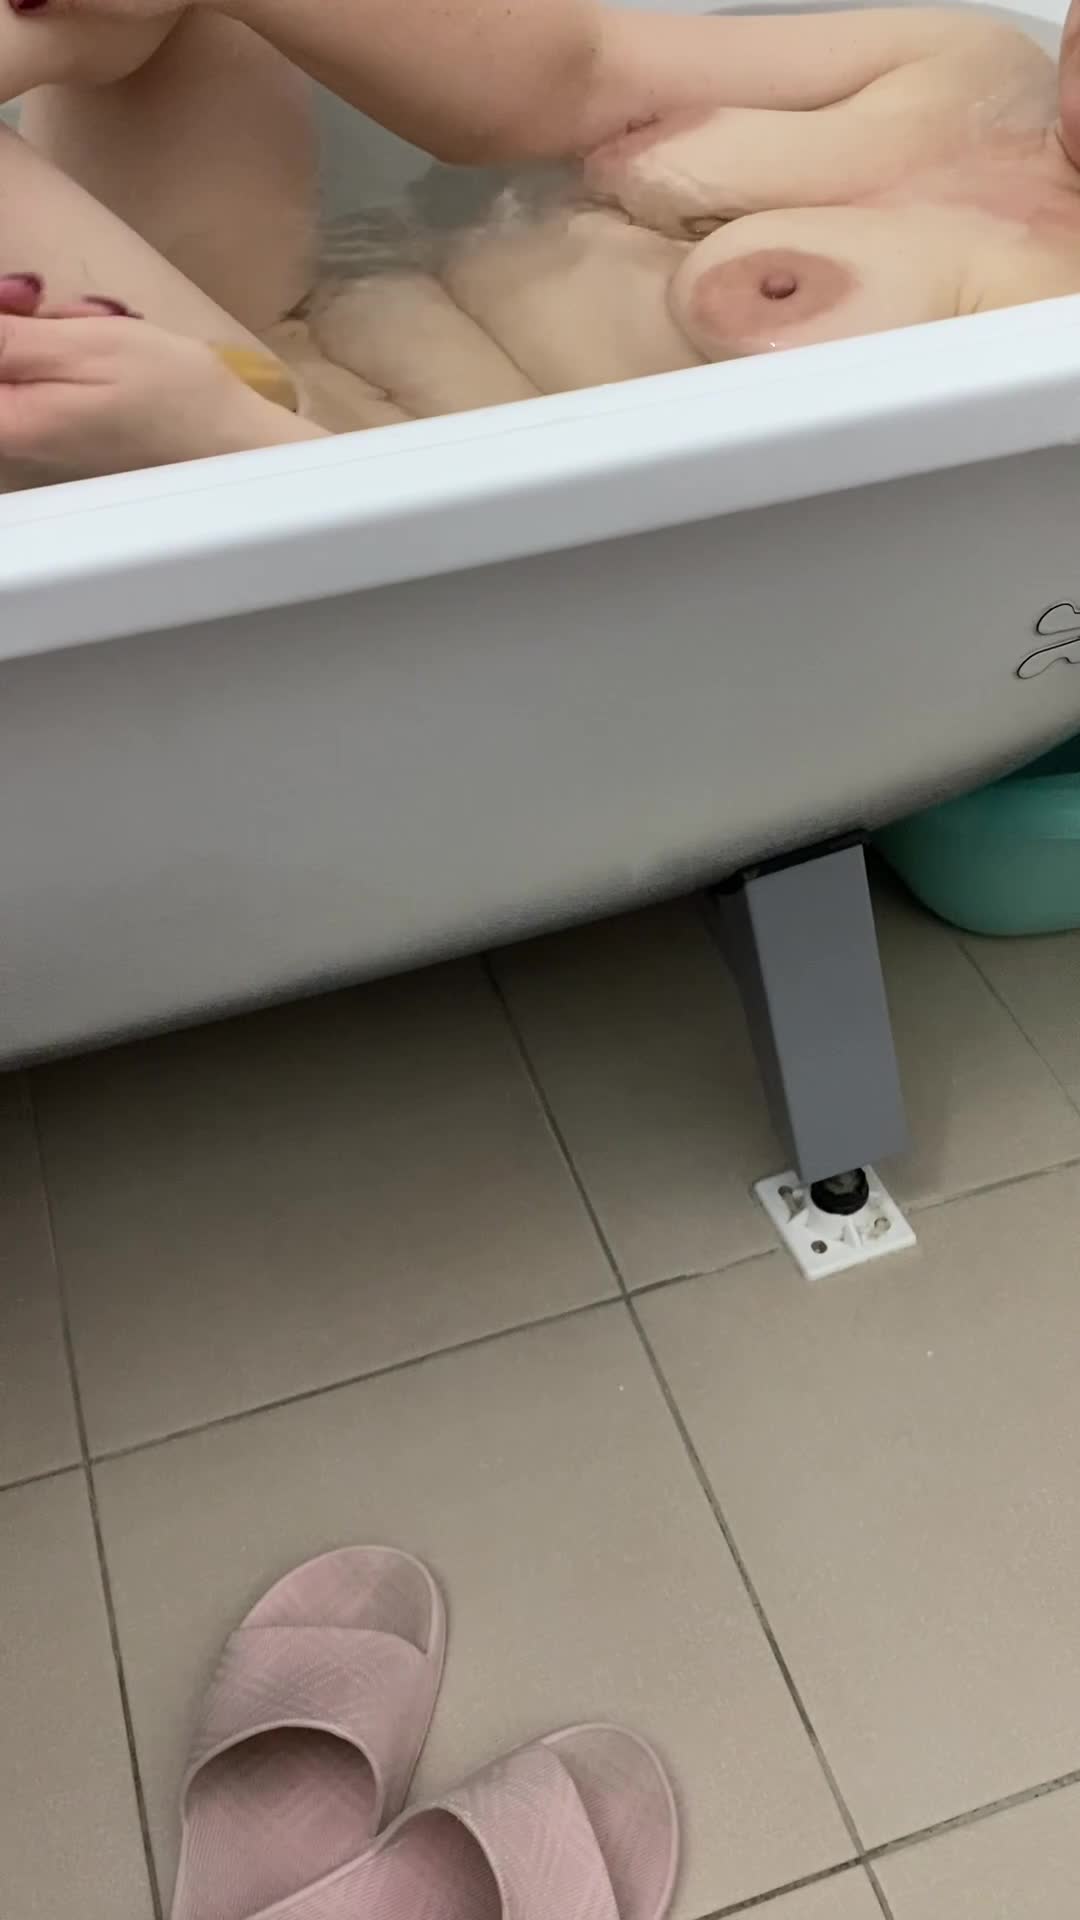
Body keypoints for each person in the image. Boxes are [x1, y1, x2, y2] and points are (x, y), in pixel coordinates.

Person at [1, 1, 1079, 486]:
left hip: (342, 509)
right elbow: (575, 73)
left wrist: (220, 438)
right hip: (264, 336)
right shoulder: (964, 65)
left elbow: (702, 590)